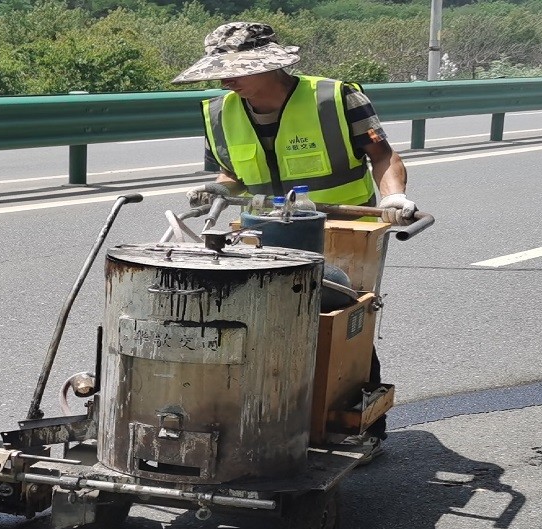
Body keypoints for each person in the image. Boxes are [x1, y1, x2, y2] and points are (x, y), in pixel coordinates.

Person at [172, 22, 416, 459]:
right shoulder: (217, 112)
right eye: (220, 71)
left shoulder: (335, 98)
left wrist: (393, 195)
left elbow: (381, 156)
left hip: (342, 231)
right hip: (262, 233)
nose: (227, 79)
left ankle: (363, 426)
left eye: (239, 69)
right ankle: (263, 418)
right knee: (256, 323)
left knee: (341, 319)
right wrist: (219, 189)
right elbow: (231, 172)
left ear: (274, 66)